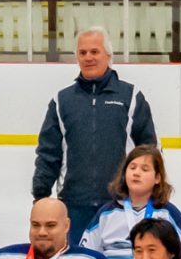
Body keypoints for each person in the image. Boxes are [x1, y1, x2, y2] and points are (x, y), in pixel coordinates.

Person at [32, 27, 159, 243]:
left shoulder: (131, 97)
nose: (88, 58)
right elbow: (48, 153)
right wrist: (40, 196)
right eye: (82, 53)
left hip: (120, 205)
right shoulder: (62, 100)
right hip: (74, 204)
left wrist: (153, 193)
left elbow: (150, 150)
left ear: (108, 56)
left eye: (94, 52)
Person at [78, 145, 181, 259]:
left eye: (144, 169)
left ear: (157, 177)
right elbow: (86, 255)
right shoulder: (106, 213)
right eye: (132, 167)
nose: (136, 173)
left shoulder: (168, 213)